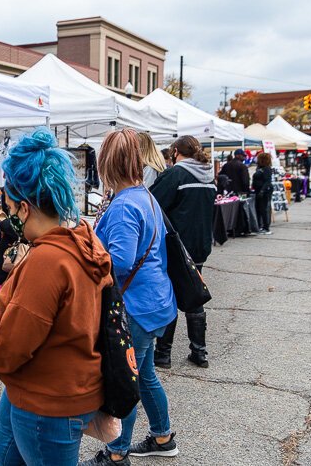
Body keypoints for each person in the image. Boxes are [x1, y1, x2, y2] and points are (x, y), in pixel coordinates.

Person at [0, 128, 113, 466]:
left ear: (23, 208)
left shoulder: (47, 261)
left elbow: (13, 344)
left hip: (49, 397)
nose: (7, 212)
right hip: (52, 385)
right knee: (5, 448)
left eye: (8, 205)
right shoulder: (81, 238)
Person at [82, 128, 178, 466]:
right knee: (145, 372)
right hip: (157, 302)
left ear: (107, 164)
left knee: (125, 382)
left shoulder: (124, 205)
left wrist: (88, 249)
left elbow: (119, 261)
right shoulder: (145, 196)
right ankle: (163, 437)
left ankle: (117, 454)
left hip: (135, 307)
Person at [150, 135, 216, 369]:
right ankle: (199, 351)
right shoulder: (208, 176)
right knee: (193, 292)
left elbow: (152, 203)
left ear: (176, 151)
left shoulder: (176, 174)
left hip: (177, 245)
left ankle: (163, 353)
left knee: (170, 295)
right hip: (199, 245)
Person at [252, 152, 275, 235]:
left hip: (264, 192)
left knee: (263, 209)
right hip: (259, 191)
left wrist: (262, 191)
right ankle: (261, 226)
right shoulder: (260, 168)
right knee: (259, 209)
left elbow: (267, 181)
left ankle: (266, 227)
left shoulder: (267, 169)